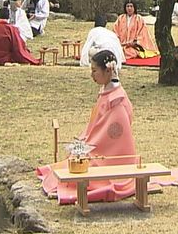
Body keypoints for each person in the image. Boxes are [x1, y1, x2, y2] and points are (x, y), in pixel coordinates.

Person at [37, 50, 138, 205]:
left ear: (108, 71)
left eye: (94, 71)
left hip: (110, 154)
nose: (92, 75)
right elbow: (97, 125)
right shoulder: (108, 93)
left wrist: (89, 143)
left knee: (83, 166)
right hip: (99, 145)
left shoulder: (116, 101)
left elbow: (110, 135)